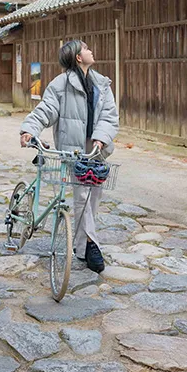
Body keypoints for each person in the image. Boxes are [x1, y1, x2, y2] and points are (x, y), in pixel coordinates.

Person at [19, 39, 119, 274]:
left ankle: (82, 247)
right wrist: (29, 129)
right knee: (82, 195)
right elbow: (45, 110)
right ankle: (92, 246)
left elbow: (110, 115)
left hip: (96, 147)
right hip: (73, 148)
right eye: (86, 48)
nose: (90, 50)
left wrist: (101, 137)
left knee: (94, 195)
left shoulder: (102, 83)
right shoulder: (60, 85)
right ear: (77, 57)